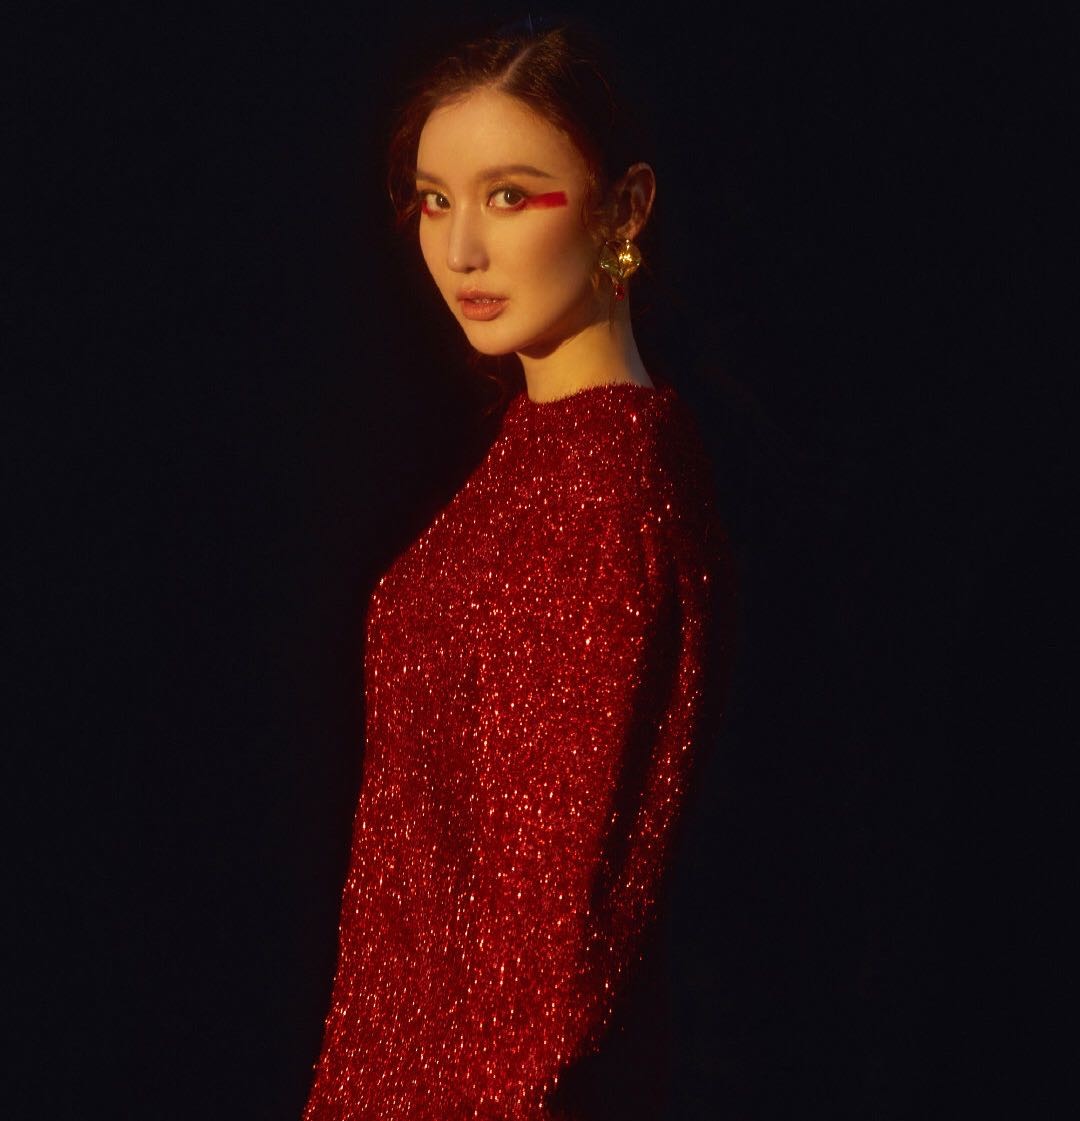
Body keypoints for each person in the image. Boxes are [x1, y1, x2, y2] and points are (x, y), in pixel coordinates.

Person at [302, 20, 736, 1121]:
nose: (459, 251)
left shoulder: (609, 492)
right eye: (433, 200)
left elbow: (550, 949)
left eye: (508, 195)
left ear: (623, 208)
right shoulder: (544, 453)